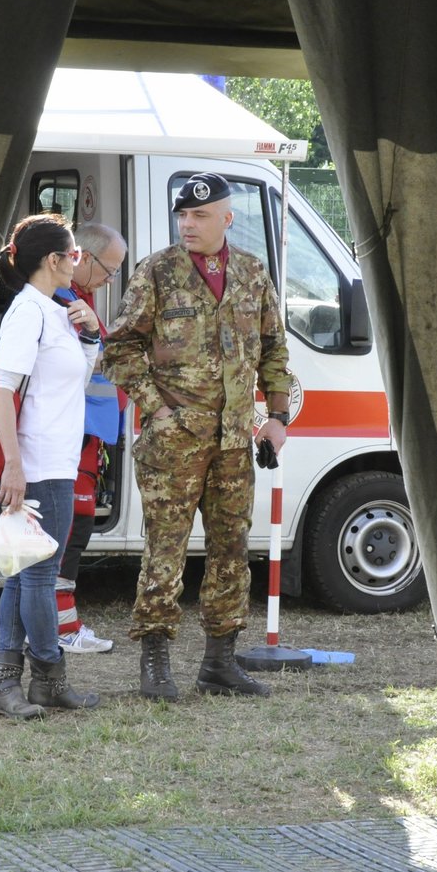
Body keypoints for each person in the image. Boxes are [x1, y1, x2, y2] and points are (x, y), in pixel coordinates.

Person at [99, 173, 294, 701]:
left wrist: (277, 417)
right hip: (173, 442)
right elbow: (119, 349)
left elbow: (274, 349)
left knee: (232, 547)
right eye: (182, 215)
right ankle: (156, 660)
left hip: (234, 441)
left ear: (227, 219)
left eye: (200, 216)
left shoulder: (253, 275)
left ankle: (220, 662)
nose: (188, 223)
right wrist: (157, 410)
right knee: (166, 548)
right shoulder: (157, 273)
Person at [0, 214, 103, 720]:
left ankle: (5, 683)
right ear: (53, 261)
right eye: (74, 255)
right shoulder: (27, 311)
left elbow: (74, 380)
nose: (77, 262)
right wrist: (14, 465)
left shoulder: (57, 310)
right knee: (38, 576)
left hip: (52, 460)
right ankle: (48, 678)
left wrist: (93, 334)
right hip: (34, 463)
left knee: (21, 574)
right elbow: (2, 391)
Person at [51, 222, 129, 654]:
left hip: (85, 438)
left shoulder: (82, 301)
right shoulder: (65, 303)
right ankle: (64, 629)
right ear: (83, 257)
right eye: (109, 269)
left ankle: (62, 626)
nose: (110, 279)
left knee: (72, 533)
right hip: (73, 439)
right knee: (69, 535)